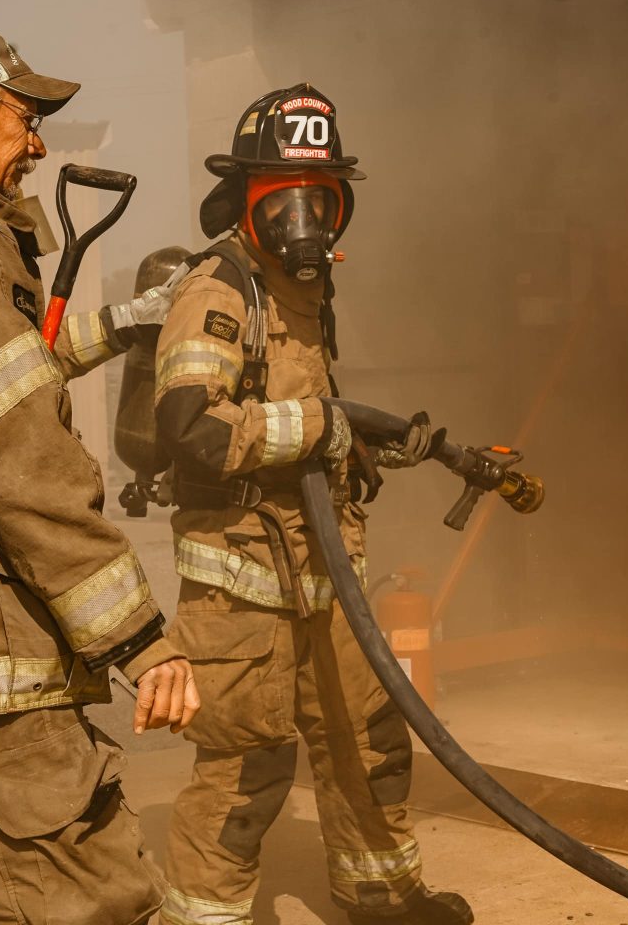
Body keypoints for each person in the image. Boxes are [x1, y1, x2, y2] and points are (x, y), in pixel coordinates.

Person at [154, 84, 474, 925]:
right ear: (248, 200)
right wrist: (323, 426)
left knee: (365, 736)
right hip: (241, 585)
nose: (307, 223)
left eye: (321, 200)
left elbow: (301, 416)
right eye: (287, 201)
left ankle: (380, 895)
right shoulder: (219, 290)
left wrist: (356, 445)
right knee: (245, 772)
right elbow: (191, 427)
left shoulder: (303, 295)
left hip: (324, 569)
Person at [0, 25, 199, 925]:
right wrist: (137, 638)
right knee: (92, 897)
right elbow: (18, 462)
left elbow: (0, 384)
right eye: (24, 117)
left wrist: (126, 320)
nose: (40, 143)